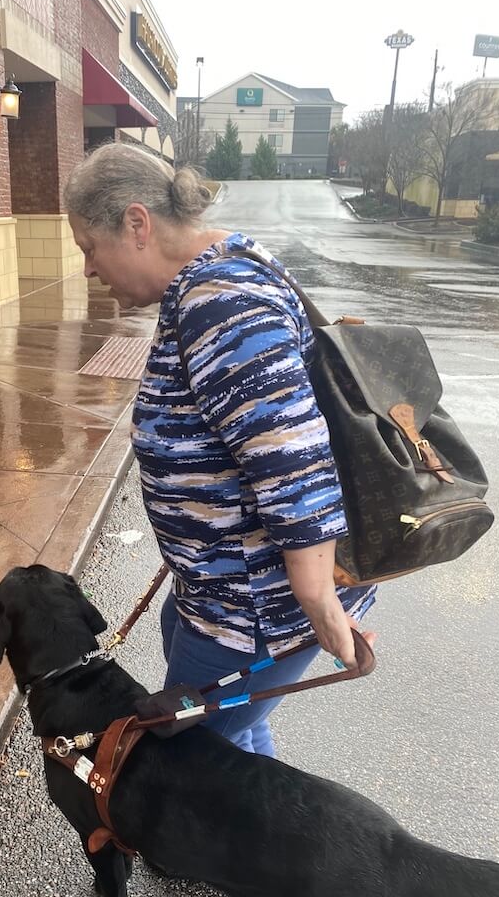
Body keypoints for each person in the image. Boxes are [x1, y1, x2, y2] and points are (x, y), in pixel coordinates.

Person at [65, 142, 377, 758]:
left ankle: (225, 854)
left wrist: (316, 596)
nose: (88, 271)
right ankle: (259, 844)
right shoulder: (212, 274)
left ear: (136, 224)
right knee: (239, 749)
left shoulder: (221, 301)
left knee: (194, 770)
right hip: (226, 595)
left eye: (88, 249)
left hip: (253, 611)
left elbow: (293, 458)